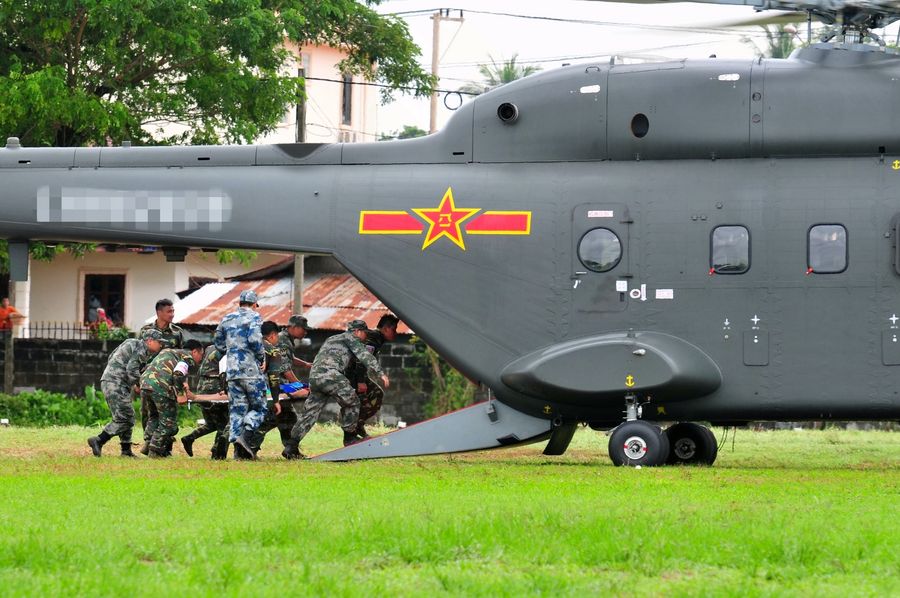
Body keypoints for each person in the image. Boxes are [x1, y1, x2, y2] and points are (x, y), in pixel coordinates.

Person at [283, 320, 389, 459]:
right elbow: (365, 356)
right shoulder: (352, 338)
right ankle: (350, 438)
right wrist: (380, 373)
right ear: (357, 331)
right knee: (352, 402)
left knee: (310, 413)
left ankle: (291, 447)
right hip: (331, 375)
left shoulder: (333, 338)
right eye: (365, 333)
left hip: (315, 377)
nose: (366, 336)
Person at [87, 329, 164, 457]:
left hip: (113, 382)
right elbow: (132, 370)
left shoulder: (132, 343)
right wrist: (140, 384)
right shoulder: (141, 348)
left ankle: (126, 450)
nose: (161, 345)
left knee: (126, 415)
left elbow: (112, 356)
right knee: (126, 418)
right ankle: (99, 440)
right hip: (116, 383)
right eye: (159, 342)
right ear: (150, 341)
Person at [214, 289, 267, 459]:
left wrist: (230, 352)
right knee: (259, 408)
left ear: (240, 303)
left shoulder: (226, 318)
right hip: (251, 371)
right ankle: (245, 436)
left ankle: (238, 453)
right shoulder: (255, 317)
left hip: (232, 372)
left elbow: (218, 343)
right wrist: (261, 357)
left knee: (237, 411)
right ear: (254, 304)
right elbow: (254, 340)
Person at [252, 320, 310, 457]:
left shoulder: (279, 341)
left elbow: (289, 359)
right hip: (273, 387)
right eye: (303, 329)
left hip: (272, 386)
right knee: (271, 417)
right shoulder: (280, 342)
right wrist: (299, 386)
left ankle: (291, 450)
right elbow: (285, 370)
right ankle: (248, 448)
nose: (305, 332)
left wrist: (305, 365)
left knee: (288, 417)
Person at [140, 339, 204, 457]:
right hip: (160, 387)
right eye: (201, 354)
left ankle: (148, 443)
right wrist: (180, 394)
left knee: (154, 416)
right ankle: (154, 450)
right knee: (168, 423)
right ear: (194, 351)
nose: (201, 359)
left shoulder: (169, 352)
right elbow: (178, 374)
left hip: (145, 384)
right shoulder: (187, 357)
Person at [350, 314, 399, 439]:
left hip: (358, 374)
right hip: (352, 374)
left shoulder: (378, 338)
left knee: (377, 394)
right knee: (363, 403)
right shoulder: (373, 338)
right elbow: (361, 359)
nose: (395, 333)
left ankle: (358, 425)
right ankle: (351, 431)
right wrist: (361, 381)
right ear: (386, 329)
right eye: (394, 329)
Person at [139, 298, 184, 433]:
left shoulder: (177, 332)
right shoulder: (145, 331)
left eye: (173, 311)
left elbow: (181, 357)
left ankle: (164, 441)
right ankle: (149, 439)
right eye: (169, 311)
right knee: (147, 411)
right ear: (159, 312)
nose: (172, 314)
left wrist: (181, 382)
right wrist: (137, 379)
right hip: (148, 377)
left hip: (168, 379)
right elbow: (138, 355)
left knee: (168, 410)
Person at [180, 344, 230, 460]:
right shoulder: (228, 347)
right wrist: (225, 387)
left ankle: (189, 438)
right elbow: (225, 369)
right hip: (215, 385)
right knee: (224, 423)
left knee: (211, 423)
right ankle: (217, 453)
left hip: (202, 385)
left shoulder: (210, 347)